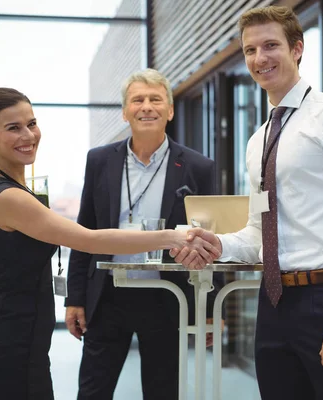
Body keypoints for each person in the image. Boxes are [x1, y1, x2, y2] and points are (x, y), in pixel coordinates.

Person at [172, 6, 323, 400]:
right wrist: (219, 244)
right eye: (250, 50)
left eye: (271, 45)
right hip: (274, 302)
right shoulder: (258, 140)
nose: (260, 58)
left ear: (297, 49)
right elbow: (261, 230)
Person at [0, 87, 218, 400]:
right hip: (8, 351)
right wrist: (172, 236)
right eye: (13, 128)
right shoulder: (10, 197)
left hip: (13, 346)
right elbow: (90, 238)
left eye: (31, 123)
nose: (28, 135)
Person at [64, 68, 224, 400]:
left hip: (166, 296)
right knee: (92, 391)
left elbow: (214, 237)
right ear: (125, 111)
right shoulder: (99, 161)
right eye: (137, 100)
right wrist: (75, 298)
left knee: (163, 392)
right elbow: (85, 231)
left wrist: (209, 309)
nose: (146, 107)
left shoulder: (198, 167)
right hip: (107, 294)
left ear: (170, 110)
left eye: (155, 99)